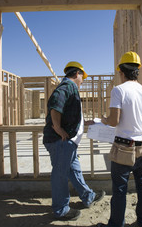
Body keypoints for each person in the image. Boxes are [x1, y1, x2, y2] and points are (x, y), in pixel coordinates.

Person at [97, 51, 142, 227]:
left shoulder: (118, 90)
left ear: (121, 71)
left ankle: (116, 224)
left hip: (123, 149)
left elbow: (114, 120)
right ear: (137, 70)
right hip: (141, 147)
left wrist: (104, 120)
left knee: (120, 189)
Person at [43, 61, 105, 221]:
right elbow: (56, 105)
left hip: (68, 143)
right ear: (76, 73)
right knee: (60, 175)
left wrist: (87, 123)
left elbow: (69, 115)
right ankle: (61, 210)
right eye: (82, 77)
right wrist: (58, 128)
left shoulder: (71, 89)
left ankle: (88, 196)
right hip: (60, 141)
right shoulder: (67, 86)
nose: (83, 80)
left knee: (74, 170)